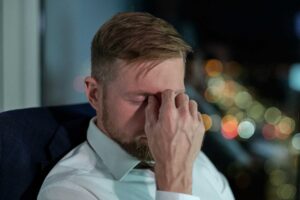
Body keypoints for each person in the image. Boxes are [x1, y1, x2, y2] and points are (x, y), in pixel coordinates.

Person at [38, 12, 234, 200]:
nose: (161, 117)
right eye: (141, 99)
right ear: (95, 95)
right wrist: (174, 179)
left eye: (172, 98)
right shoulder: (68, 191)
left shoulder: (195, 160)